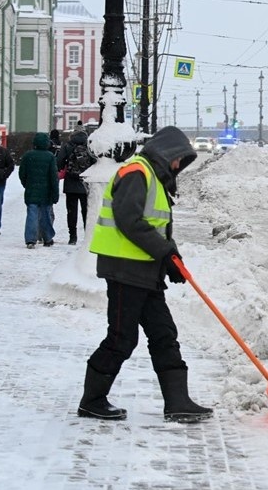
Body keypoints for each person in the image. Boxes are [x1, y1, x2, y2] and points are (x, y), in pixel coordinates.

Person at [80, 125, 211, 423]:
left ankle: (178, 401)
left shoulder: (152, 176)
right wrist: (163, 253)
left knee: (164, 334)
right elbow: (129, 221)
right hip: (125, 270)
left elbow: (156, 225)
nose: (178, 166)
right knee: (121, 338)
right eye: (179, 159)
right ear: (166, 152)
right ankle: (92, 400)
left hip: (144, 270)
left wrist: (171, 257)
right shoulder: (136, 172)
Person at [18, 133, 58, 248]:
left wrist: (27, 184)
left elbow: (22, 173)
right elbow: (53, 177)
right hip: (46, 192)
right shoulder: (50, 156)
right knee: (45, 215)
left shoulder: (27, 155)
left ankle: (30, 239)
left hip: (31, 190)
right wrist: (55, 193)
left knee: (32, 214)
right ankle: (47, 238)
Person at [56, 130, 93, 245]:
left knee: (71, 211)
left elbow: (59, 163)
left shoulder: (67, 146)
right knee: (86, 210)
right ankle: (88, 236)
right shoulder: (90, 146)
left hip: (71, 183)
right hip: (86, 183)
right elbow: (95, 162)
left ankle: (73, 237)